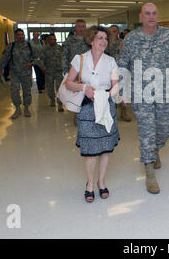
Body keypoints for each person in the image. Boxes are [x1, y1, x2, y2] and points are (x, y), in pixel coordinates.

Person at [118, 3, 169, 194]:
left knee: (163, 132)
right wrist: (122, 90)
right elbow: (122, 64)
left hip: (164, 92)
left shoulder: (168, 36)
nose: (151, 16)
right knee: (147, 131)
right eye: (147, 13)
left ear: (158, 16)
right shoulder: (131, 39)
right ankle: (149, 171)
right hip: (141, 94)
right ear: (141, 17)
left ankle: (156, 150)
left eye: (154, 13)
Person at [65, 26, 119, 203]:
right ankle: (89, 183)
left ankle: (101, 181)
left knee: (104, 148)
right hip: (87, 108)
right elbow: (69, 83)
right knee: (89, 150)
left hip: (105, 107)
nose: (104, 42)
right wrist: (84, 88)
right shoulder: (79, 59)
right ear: (91, 40)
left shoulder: (111, 61)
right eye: (100, 38)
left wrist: (106, 96)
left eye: (105, 39)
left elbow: (116, 84)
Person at [0, 29, 35, 119]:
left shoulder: (29, 45)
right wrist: (0, 69)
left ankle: (26, 108)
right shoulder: (11, 46)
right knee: (14, 91)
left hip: (26, 74)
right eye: (18, 35)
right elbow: (5, 57)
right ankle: (17, 109)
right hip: (15, 73)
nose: (21, 36)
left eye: (22, 34)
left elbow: (36, 58)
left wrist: (31, 63)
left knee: (27, 91)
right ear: (15, 36)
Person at [62, 19, 90, 125]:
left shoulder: (89, 40)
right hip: (74, 72)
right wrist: (65, 71)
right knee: (76, 95)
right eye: (79, 26)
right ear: (75, 27)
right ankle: (76, 115)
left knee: (87, 93)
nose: (81, 28)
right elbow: (64, 56)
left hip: (87, 71)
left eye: (83, 26)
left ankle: (86, 114)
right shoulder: (69, 41)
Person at [105, 25, 132, 122]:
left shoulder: (123, 43)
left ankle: (124, 113)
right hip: (108, 72)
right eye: (111, 31)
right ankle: (109, 113)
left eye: (115, 31)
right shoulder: (105, 43)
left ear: (118, 32)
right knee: (110, 92)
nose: (113, 33)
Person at [39, 34, 64, 112]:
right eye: (51, 39)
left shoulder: (60, 48)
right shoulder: (45, 49)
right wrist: (43, 68)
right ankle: (52, 99)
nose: (53, 41)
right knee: (49, 88)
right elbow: (41, 60)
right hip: (49, 72)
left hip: (58, 71)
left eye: (54, 39)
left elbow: (64, 58)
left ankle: (60, 104)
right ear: (48, 40)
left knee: (59, 88)